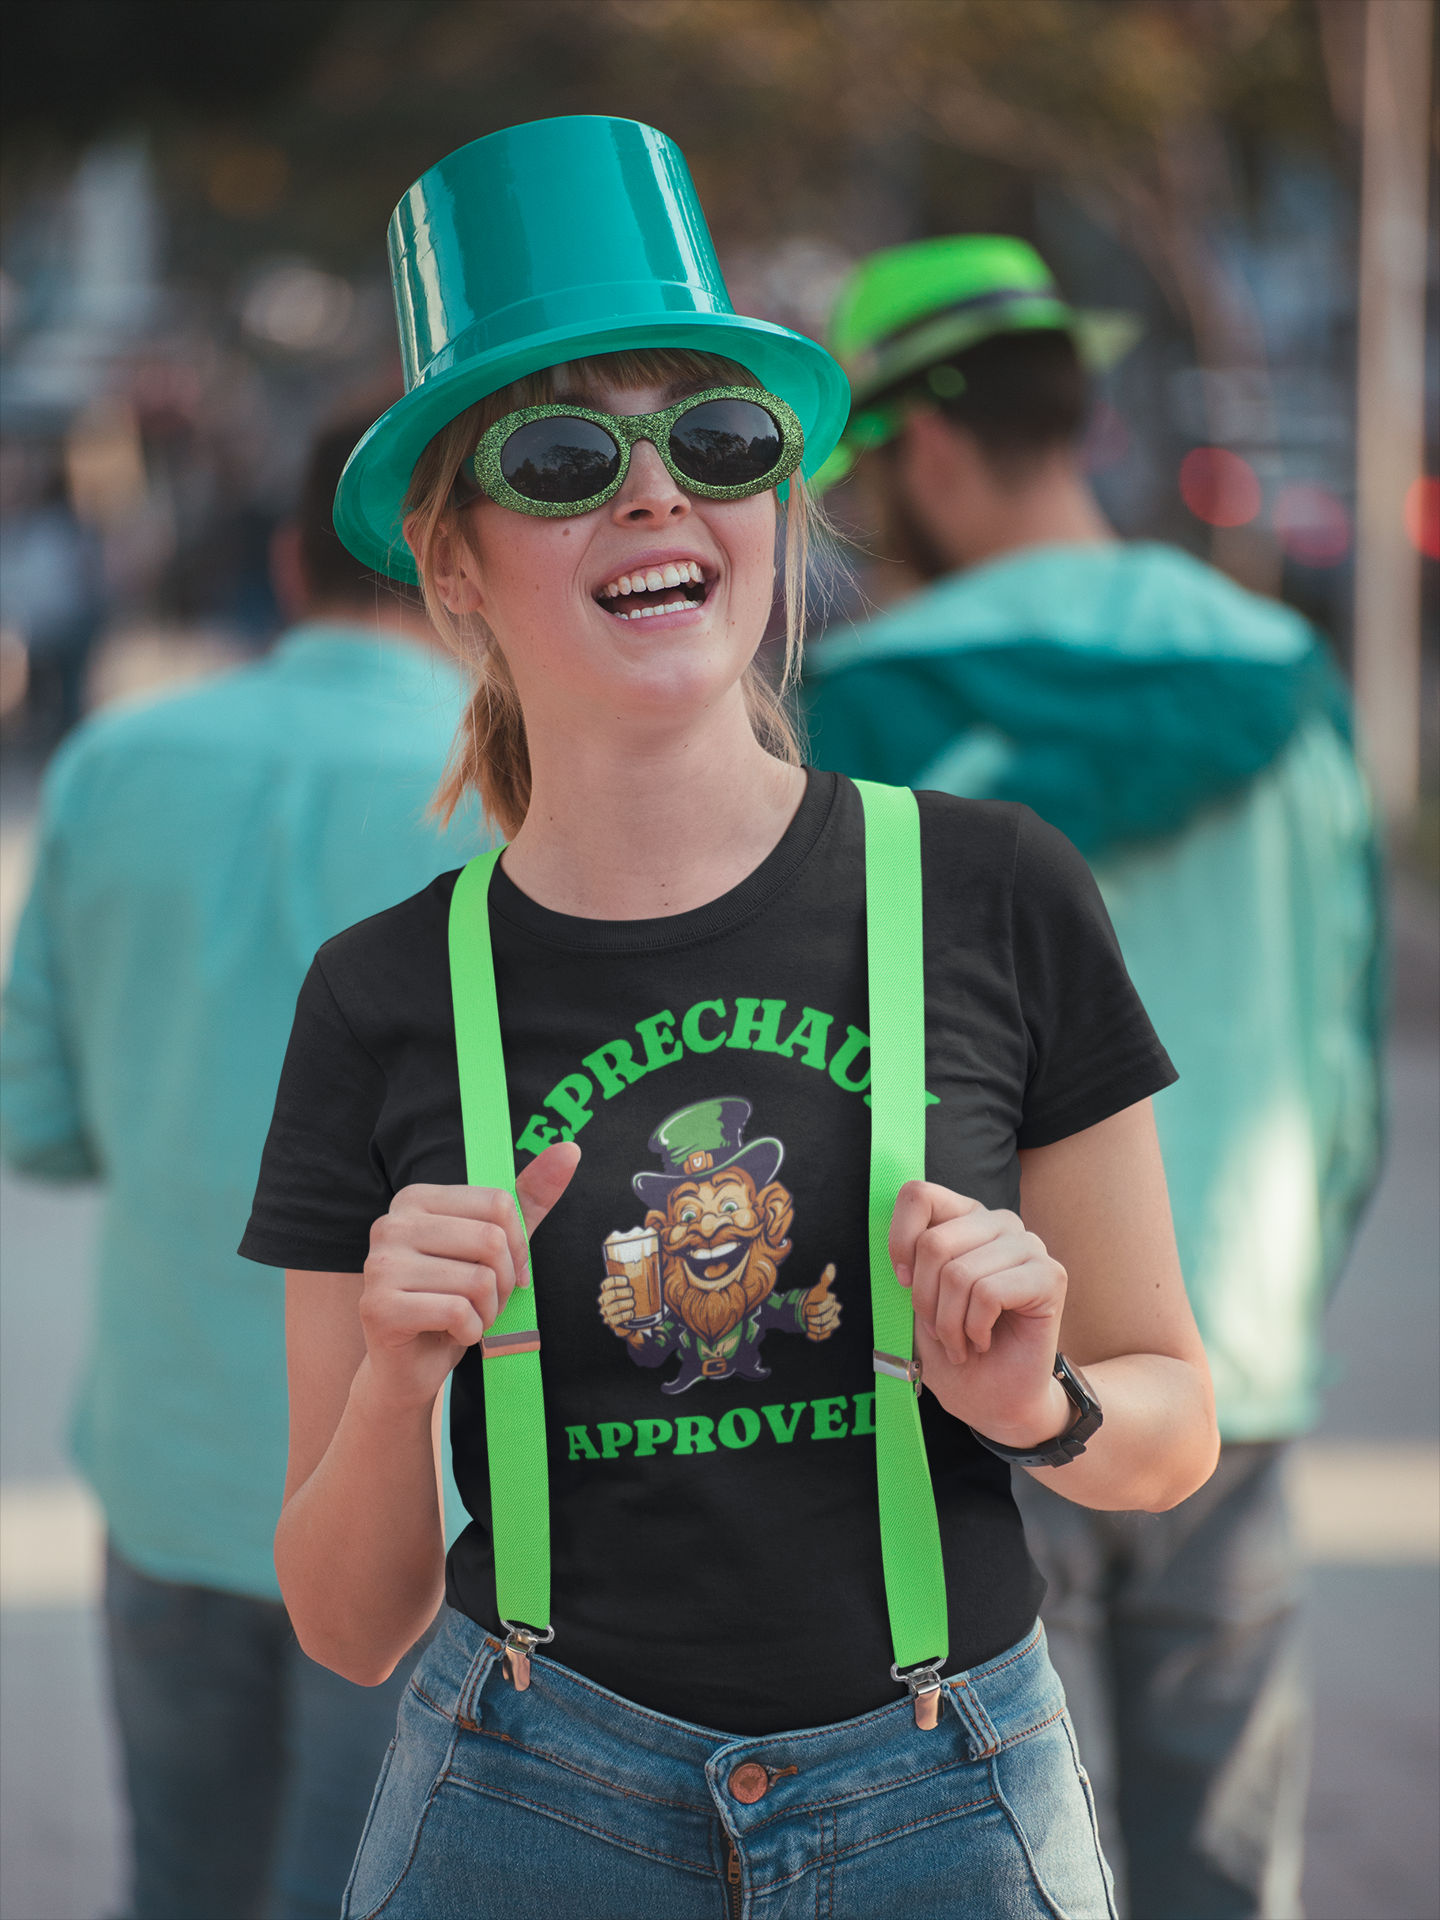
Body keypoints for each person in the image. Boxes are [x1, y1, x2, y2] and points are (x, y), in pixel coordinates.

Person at [239, 117, 1219, 1920]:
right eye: (558, 456)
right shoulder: (381, 998)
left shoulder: (995, 890)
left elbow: (1172, 1430)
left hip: (946, 1799)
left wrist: (1041, 1405)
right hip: (523, 1803)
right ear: (452, 566)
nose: (653, 494)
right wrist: (396, 1385)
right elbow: (346, 1620)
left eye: (717, 438)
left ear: (778, 498)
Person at [803, 234, 1384, 1918]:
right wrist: (1271, 1289)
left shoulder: (850, 718)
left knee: (993, 1868)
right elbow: (1346, 1045)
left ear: (914, 447)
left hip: (973, 1375)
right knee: (1222, 1868)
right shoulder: (1287, 679)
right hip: (1239, 1371)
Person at [0, 414, 482, 1920]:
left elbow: (35, 1120)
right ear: (470, 570)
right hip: (427, 1505)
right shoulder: (524, 801)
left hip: (172, 1463)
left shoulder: (114, 765)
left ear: (288, 562)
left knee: (185, 1882)